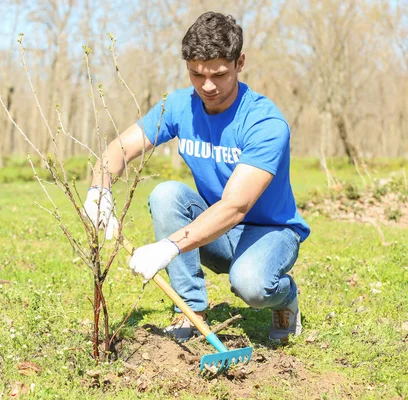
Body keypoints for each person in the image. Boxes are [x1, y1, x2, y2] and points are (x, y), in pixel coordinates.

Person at [83, 11, 310, 343]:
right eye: (196, 74)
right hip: (217, 229)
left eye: (218, 74)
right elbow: (120, 147)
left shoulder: (264, 123)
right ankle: (190, 309)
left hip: (270, 231)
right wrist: (98, 190)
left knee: (251, 284)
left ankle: (286, 296)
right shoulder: (180, 106)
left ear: (239, 62)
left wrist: (170, 246)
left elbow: (236, 206)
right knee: (166, 195)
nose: (207, 86)